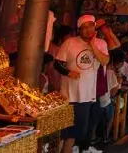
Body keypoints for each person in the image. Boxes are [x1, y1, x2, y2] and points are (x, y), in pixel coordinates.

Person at [55, 15, 110, 153]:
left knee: (77, 129)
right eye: (84, 28)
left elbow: (104, 61)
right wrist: (68, 73)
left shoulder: (101, 44)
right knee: (62, 129)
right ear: (79, 30)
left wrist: (92, 45)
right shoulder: (69, 43)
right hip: (67, 93)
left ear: (94, 26)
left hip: (86, 94)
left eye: (90, 26)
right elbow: (57, 64)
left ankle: (67, 150)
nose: (88, 30)